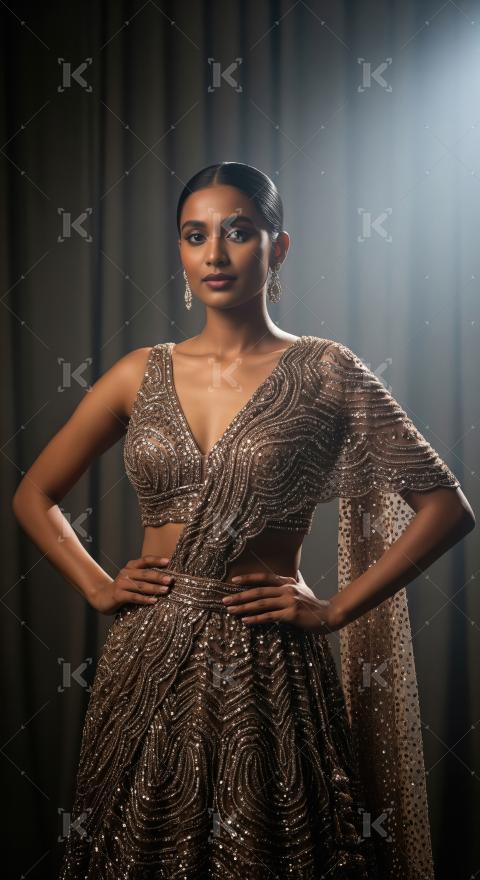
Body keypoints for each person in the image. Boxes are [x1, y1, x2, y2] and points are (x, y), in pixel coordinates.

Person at [13, 161, 475, 880]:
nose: (215, 253)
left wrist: (335, 611)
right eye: (196, 236)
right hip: (145, 660)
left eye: (238, 232)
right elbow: (33, 494)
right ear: (180, 251)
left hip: (268, 662)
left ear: (277, 247)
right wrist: (99, 588)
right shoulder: (140, 372)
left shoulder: (326, 370)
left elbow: (448, 508)